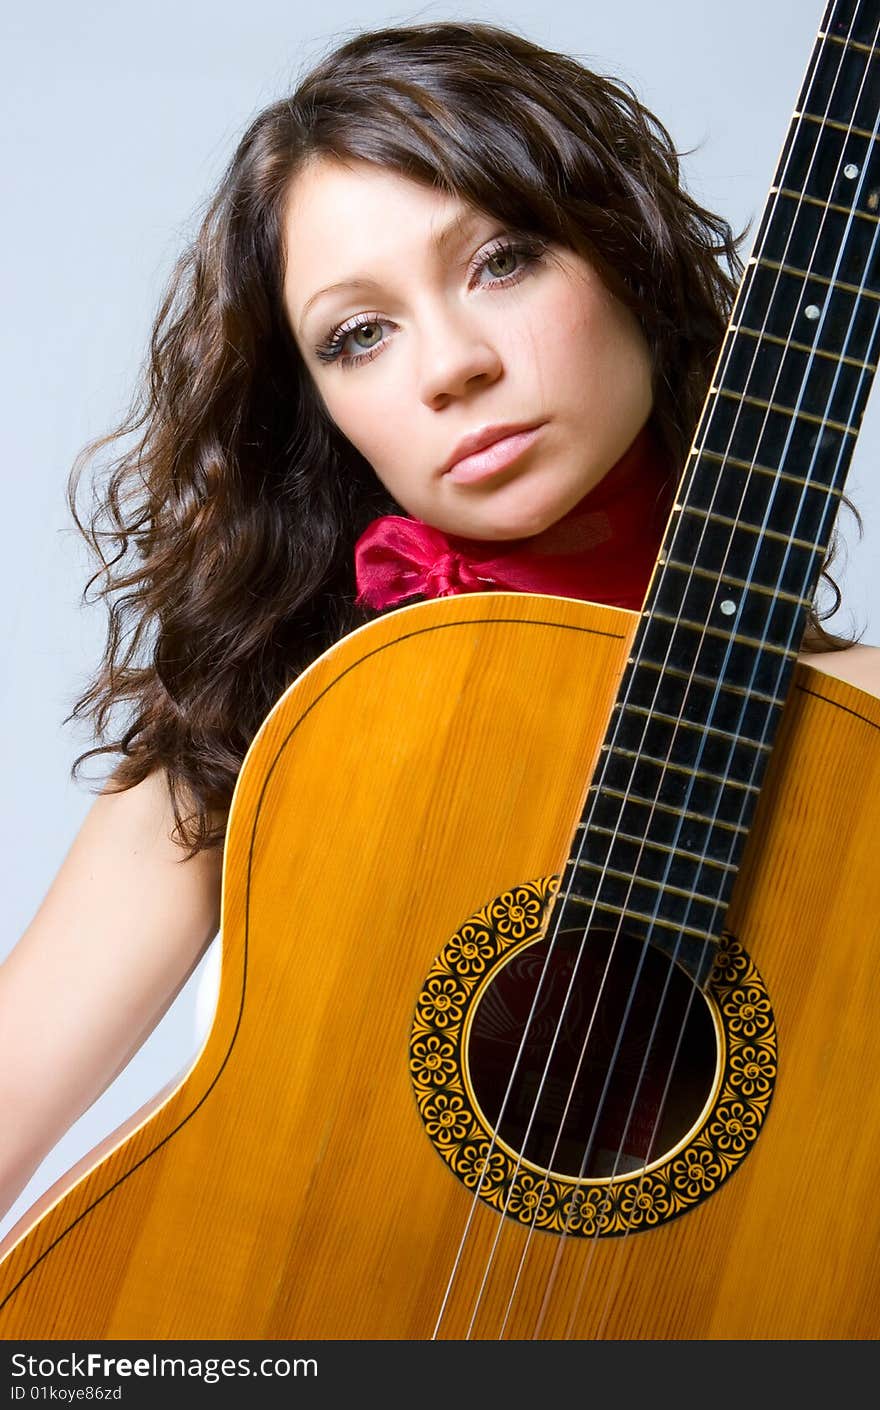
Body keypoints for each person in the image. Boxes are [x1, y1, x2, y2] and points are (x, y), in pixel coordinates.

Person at [0, 17, 877, 1232]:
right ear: (319, 410)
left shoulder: (860, 744)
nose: (451, 365)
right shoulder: (279, 718)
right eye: (359, 335)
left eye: (503, 259)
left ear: (625, 256)